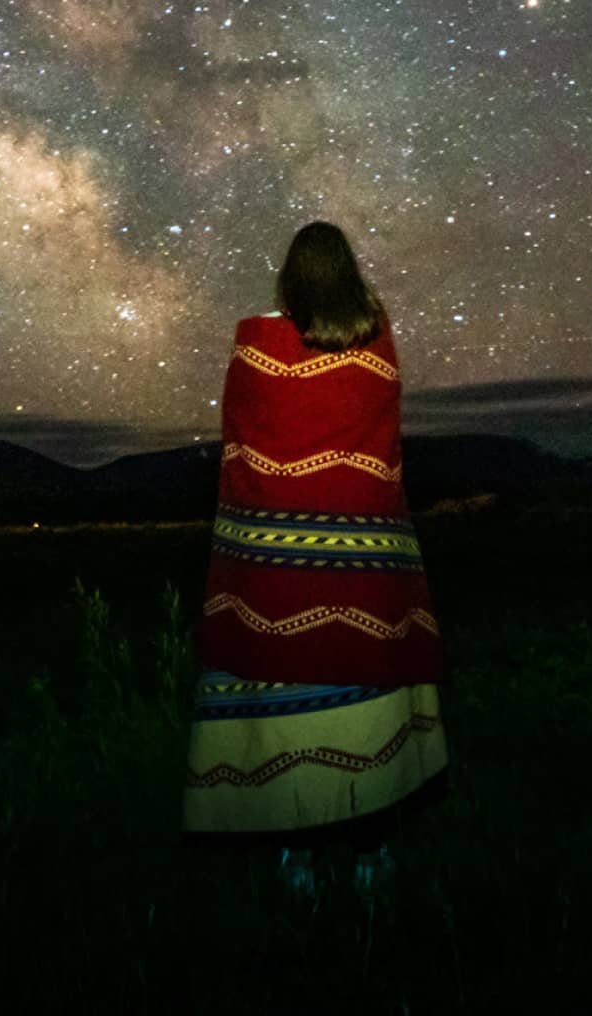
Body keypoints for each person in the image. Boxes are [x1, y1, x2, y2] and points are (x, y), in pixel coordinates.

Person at [179, 220, 450, 897]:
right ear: (349, 274)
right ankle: (370, 851)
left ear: (291, 277)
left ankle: (297, 852)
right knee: (368, 692)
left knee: (286, 696)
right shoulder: (376, 340)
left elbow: (244, 445)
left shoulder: (259, 344)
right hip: (366, 562)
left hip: (275, 567)